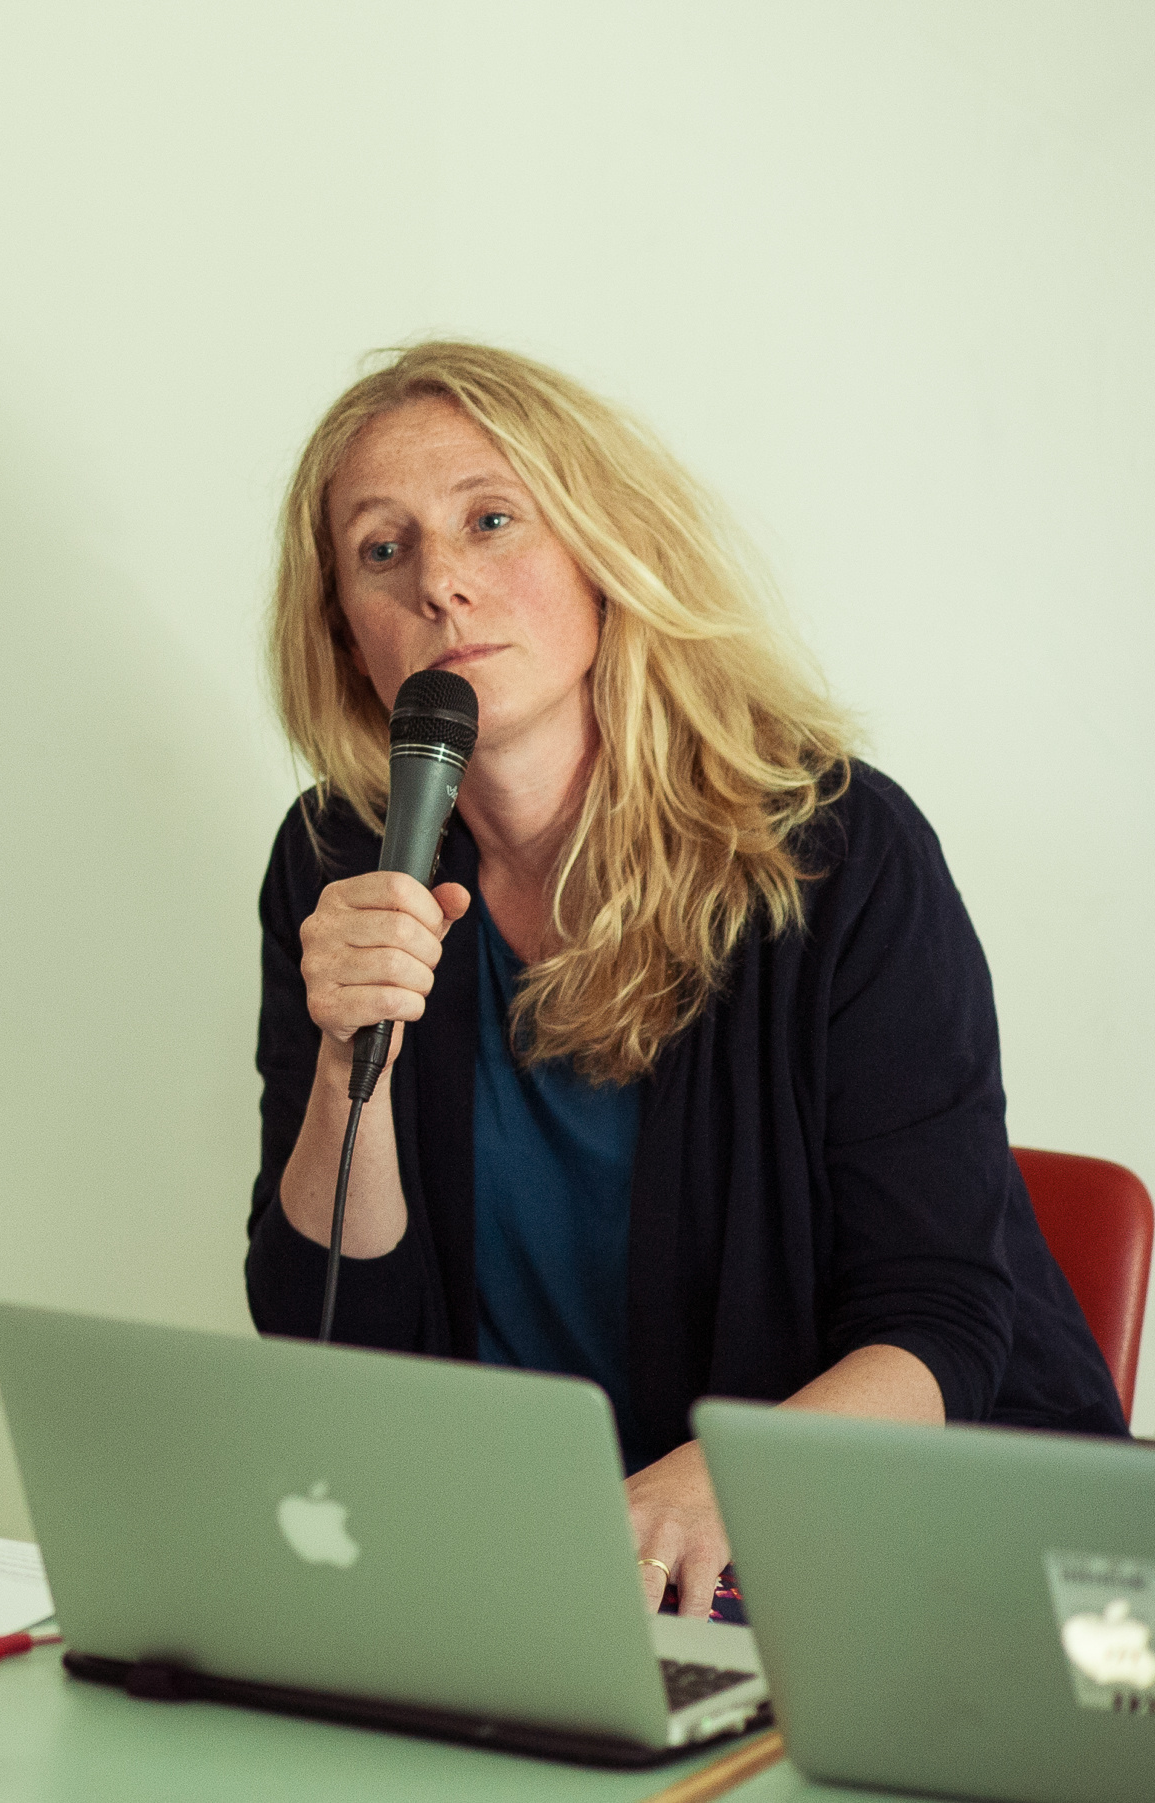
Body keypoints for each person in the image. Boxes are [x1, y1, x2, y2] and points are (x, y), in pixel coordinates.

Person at [246, 341, 1126, 1620]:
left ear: (604, 556)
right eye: (383, 550)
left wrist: (719, 1483)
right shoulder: (339, 860)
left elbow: (941, 1319)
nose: (442, 583)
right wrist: (346, 1068)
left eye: (492, 520)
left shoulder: (830, 851)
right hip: (557, 1581)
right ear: (346, 631)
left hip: (916, 1548)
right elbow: (326, 1332)